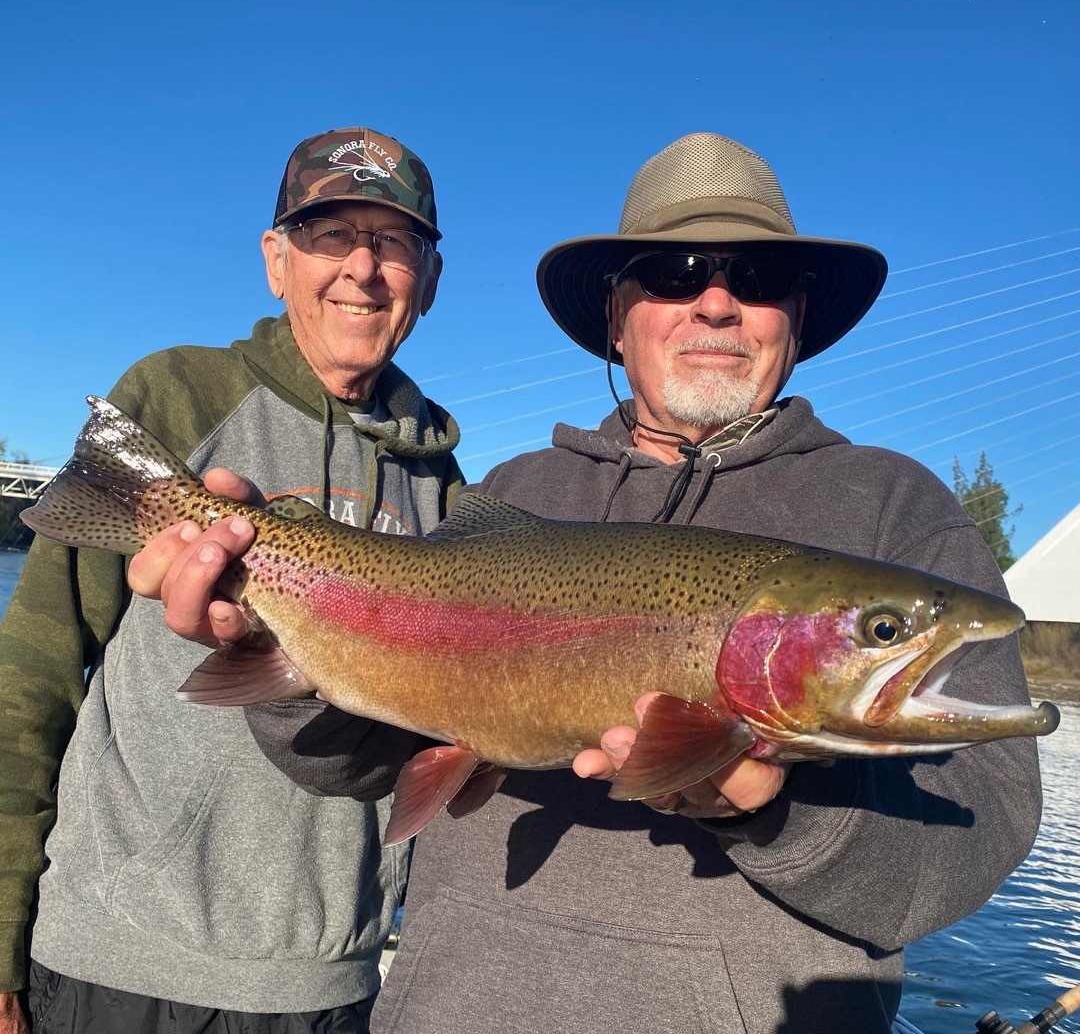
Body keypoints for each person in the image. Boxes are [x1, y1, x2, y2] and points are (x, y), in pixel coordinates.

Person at [125, 133, 1043, 1034]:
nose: (717, 303)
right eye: (677, 271)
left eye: (758, 280)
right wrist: (270, 645)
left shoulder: (898, 509)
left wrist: (778, 818)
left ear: (797, 316)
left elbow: (982, 829)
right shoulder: (511, 491)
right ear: (617, 314)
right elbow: (359, 762)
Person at [0, 125, 463, 1034]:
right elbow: (33, 677)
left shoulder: (446, 482)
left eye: (394, 243)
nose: (362, 269)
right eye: (332, 234)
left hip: (332, 984)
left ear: (431, 280)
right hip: (118, 960)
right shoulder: (177, 394)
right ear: (276, 259)